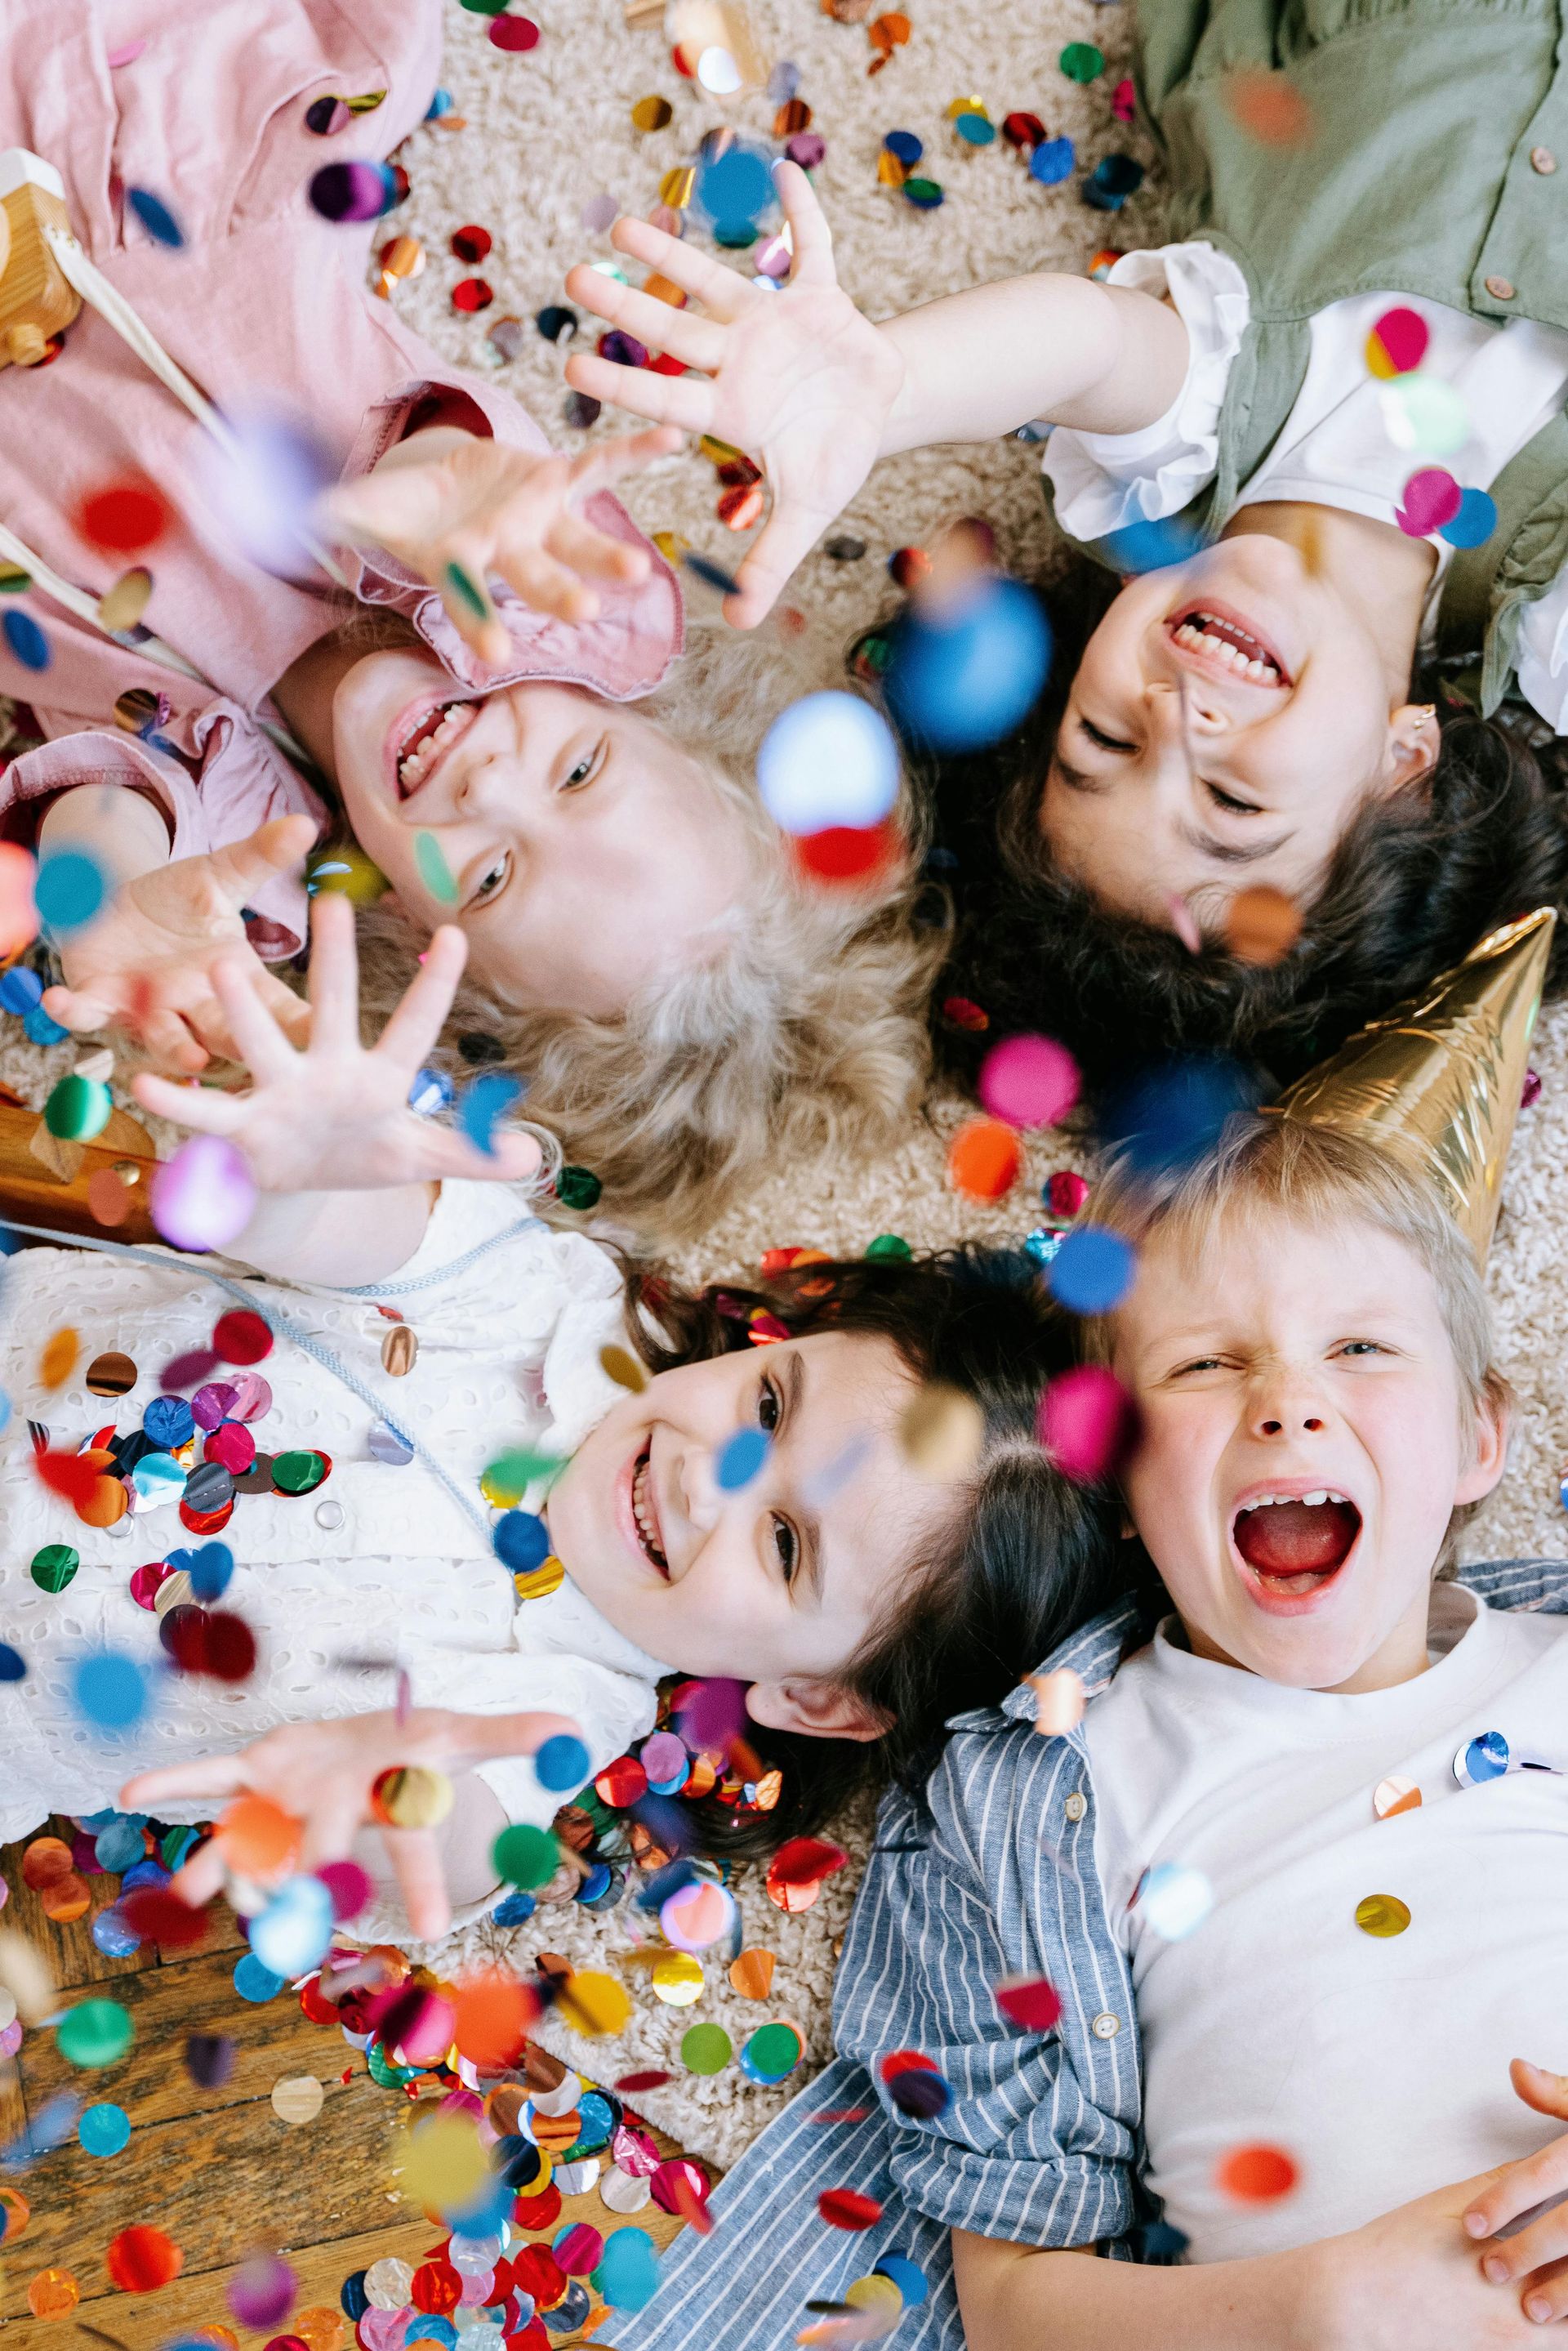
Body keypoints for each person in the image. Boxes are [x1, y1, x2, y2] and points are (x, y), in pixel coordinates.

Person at [603, 1118, 1568, 2350]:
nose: (1288, 1405)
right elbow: (1013, 2306)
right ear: (1115, 1477)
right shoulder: (1031, 1789)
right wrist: (1321, 2307)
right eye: (1208, 1364)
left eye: (1362, 1347)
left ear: (1480, 1436)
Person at [0, 895, 1120, 1941]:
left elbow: (458, 1842)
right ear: (781, 1344)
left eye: (785, 1542)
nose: (708, 1476)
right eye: (768, 1407)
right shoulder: (549, 1302)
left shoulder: (555, 1708)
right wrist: (312, 1164)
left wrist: (391, 1799)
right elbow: (349, 1229)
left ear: (817, 1697)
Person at [0, 0, 940, 1239]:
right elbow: (442, 466)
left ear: (412, 934)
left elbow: (121, 825)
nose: (489, 780)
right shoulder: (530, 577)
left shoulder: (257, 838)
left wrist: (118, 915)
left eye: (491, 875)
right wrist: (439, 486)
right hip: (138, 140)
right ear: (639, 694)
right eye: (581, 766)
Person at [570, 0, 1568, 1091]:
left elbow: (1079, 346)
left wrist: (886, 391)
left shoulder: (1189, 448)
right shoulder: (1548, 620)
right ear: (1405, 776)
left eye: (1104, 741)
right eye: (1233, 806)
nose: (1177, 717)